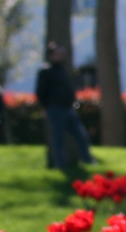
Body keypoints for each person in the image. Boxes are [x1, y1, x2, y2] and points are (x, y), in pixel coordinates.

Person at [38, 41, 93, 170]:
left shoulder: (63, 70)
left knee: (81, 135)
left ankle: (87, 160)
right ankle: (60, 165)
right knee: (58, 139)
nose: (62, 56)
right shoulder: (46, 71)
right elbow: (40, 92)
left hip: (68, 109)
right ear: (51, 56)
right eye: (58, 54)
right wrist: (44, 107)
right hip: (55, 109)